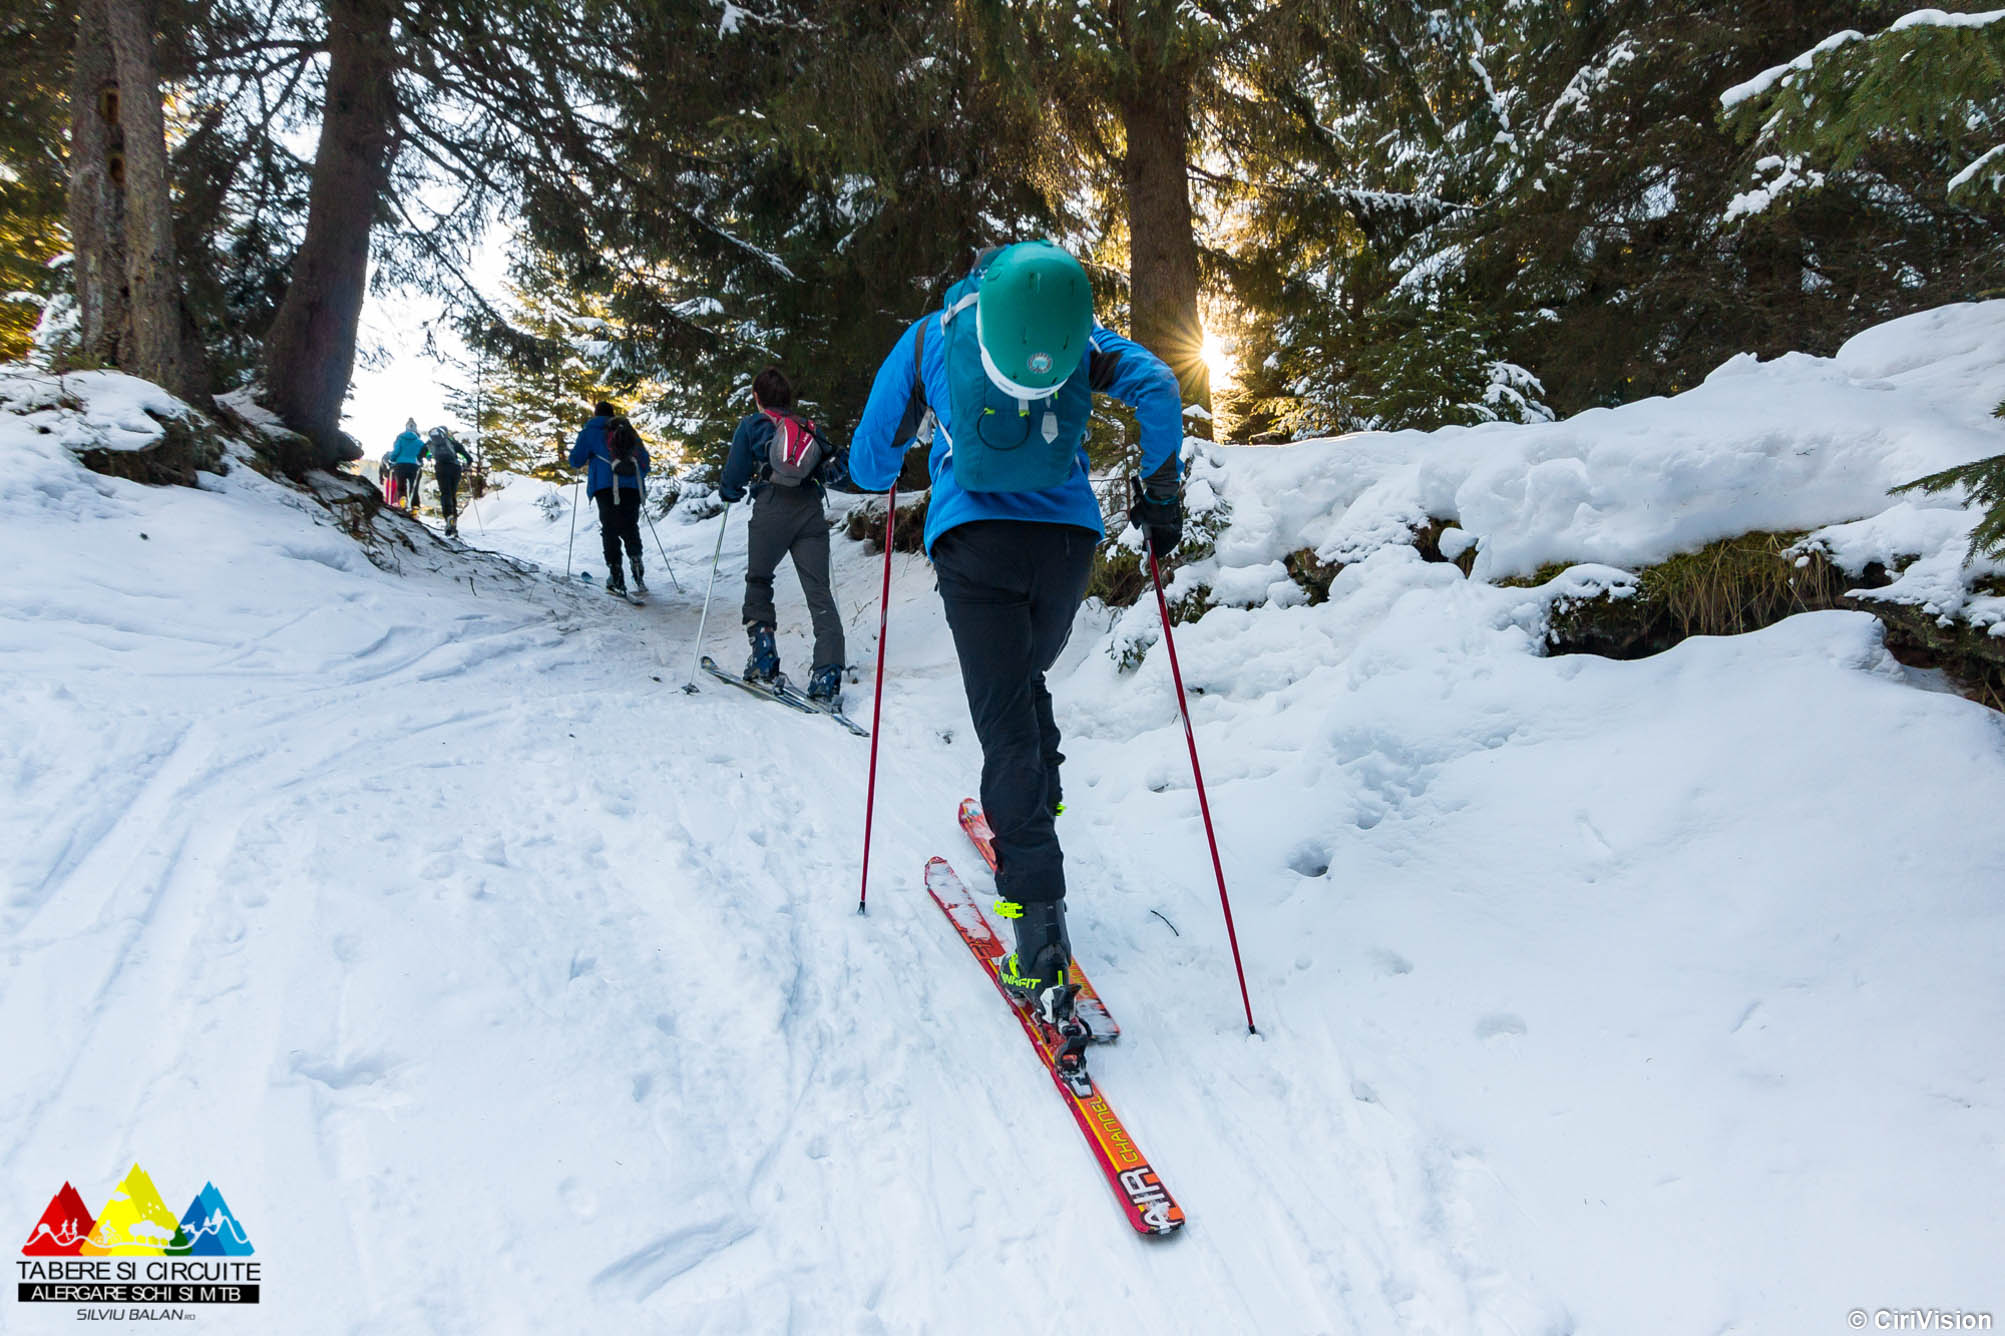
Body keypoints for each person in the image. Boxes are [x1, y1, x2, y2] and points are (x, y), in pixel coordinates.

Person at [847, 239, 1184, 1022]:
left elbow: (869, 467)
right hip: (1067, 545)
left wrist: (911, 447)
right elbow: (1158, 386)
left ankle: (1038, 942)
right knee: (1025, 683)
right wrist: (1160, 492)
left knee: (1005, 728)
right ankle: (1037, 800)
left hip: (975, 545)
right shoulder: (1073, 335)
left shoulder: (931, 337)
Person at [717, 366, 848, 706]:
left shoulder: (752, 425)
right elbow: (830, 467)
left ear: (757, 397)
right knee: (819, 591)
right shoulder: (808, 427)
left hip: (772, 507)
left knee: (759, 579)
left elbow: (734, 474)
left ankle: (763, 657)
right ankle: (828, 673)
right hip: (809, 511)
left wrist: (729, 491)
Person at [569, 402, 649, 596]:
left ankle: (616, 575)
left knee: (610, 529)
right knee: (630, 526)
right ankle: (636, 563)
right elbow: (645, 462)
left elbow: (576, 460)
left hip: (605, 486)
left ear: (596, 414)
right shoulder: (628, 431)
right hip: (632, 486)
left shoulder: (590, 431)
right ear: (613, 414)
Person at [428, 426, 472, 536]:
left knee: (445, 494)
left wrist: (428, 457)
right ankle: (453, 524)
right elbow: (469, 458)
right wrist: (466, 466)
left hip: (441, 468)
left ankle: (448, 517)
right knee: (452, 495)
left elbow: (424, 454)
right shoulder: (453, 443)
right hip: (455, 468)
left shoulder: (432, 443)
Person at [388, 418, 426, 512]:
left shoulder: (400, 438)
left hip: (400, 465)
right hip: (414, 466)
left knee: (401, 486)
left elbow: (396, 451)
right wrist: (423, 459)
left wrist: (392, 459)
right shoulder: (419, 441)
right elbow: (426, 452)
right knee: (414, 487)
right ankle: (415, 507)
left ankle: (403, 502)